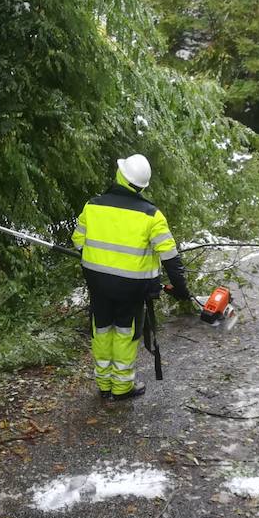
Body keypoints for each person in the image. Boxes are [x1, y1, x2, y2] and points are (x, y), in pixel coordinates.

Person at [72, 154, 190, 400]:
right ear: (141, 185)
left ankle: (104, 385)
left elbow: (78, 241)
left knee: (101, 329)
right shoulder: (151, 215)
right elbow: (170, 257)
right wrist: (181, 290)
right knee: (125, 332)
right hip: (132, 288)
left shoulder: (92, 206)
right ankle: (122, 387)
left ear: (121, 176)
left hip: (98, 284)